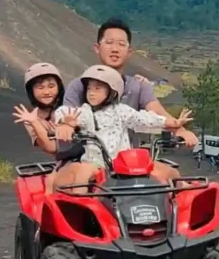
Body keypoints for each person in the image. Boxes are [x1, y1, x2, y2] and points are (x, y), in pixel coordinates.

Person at [63, 17, 197, 181]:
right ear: (97, 48)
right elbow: (66, 116)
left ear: (129, 52)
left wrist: (180, 130)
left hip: (128, 161)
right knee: (71, 183)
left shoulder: (138, 86)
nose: (115, 49)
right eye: (109, 42)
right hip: (86, 159)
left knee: (172, 176)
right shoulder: (79, 86)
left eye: (121, 44)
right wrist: (65, 126)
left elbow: (156, 112)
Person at [54, 65, 194, 191]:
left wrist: (170, 123)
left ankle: (179, 201)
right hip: (96, 164)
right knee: (82, 174)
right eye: (89, 88)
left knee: (168, 172)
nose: (91, 92)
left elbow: (144, 119)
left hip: (125, 164)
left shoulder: (122, 110)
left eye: (97, 88)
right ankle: (81, 206)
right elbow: (64, 112)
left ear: (112, 91)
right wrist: (65, 123)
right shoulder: (85, 112)